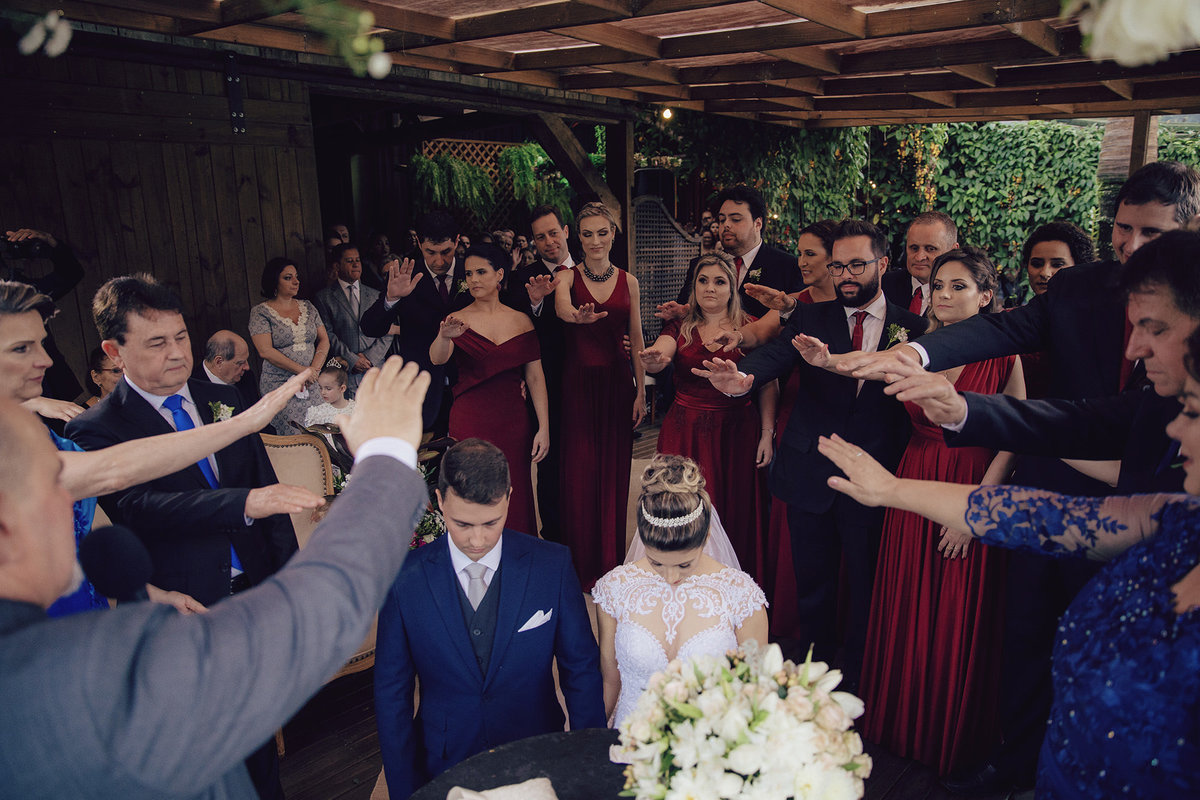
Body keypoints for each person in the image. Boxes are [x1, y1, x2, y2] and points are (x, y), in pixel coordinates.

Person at [839, 160, 1200, 793]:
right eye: (1123, 229)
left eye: (1156, 332)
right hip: (1078, 755)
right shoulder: (1165, 519)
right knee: (1025, 636)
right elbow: (1053, 510)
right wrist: (899, 478)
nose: (1136, 350)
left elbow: (1111, 424)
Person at [0, 356, 432, 800]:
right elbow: (311, 610)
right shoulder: (98, 676)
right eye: (61, 484)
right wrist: (386, 459)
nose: (78, 503)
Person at [812, 248, 1025, 774]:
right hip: (912, 476)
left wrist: (977, 511)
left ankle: (949, 734)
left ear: (986, 295)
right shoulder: (912, 349)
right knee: (908, 599)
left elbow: (1015, 435)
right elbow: (859, 366)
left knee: (955, 608)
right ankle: (900, 724)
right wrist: (825, 361)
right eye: (938, 286)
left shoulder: (1007, 354)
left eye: (958, 286)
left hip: (973, 481)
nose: (944, 295)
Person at [694, 218, 926, 689]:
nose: (845, 276)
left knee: (866, 584)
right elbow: (778, 355)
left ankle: (862, 681)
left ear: (882, 264)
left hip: (876, 475)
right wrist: (744, 379)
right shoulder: (810, 315)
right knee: (813, 586)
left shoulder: (913, 326)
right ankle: (813, 682)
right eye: (838, 266)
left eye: (857, 265)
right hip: (810, 470)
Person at [0, 280, 312, 618]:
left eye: (181, 337)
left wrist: (149, 591)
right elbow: (124, 487)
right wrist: (243, 450)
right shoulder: (89, 427)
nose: (46, 361)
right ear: (114, 353)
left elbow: (76, 539)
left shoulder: (32, 435)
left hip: (94, 604)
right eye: (22, 348)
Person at [374, 438, 606, 799]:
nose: (477, 539)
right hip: (445, 761)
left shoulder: (551, 566)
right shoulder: (403, 579)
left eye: (491, 522)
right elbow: (392, 696)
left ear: (510, 497)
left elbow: (582, 672)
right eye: (462, 523)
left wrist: (589, 769)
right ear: (438, 502)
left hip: (537, 757)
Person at [592, 455, 768, 728]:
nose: (671, 577)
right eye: (656, 563)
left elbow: (755, 691)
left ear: (707, 536)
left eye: (685, 564)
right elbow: (610, 680)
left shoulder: (742, 597)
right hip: (631, 737)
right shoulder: (614, 590)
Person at [639, 252, 776, 579]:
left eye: (719, 281)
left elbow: (769, 383)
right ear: (694, 287)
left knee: (733, 510)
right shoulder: (680, 325)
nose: (710, 288)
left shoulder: (749, 329)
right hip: (683, 430)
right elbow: (663, 352)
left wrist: (767, 433)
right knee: (682, 510)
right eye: (703, 281)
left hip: (736, 430)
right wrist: (654, 361)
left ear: (732, 287)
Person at [554, 201, 646, 589]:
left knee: (613, 475)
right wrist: (577, 316)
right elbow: (560, 309)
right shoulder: (565, 277)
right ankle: (579, 568)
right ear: (579, 237)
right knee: (579, 474)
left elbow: (638, 336)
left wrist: (642, 391)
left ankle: (609, 565)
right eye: (587, 233)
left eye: (602, 232)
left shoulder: (629, 281)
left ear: (613, 234)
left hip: (616, 387)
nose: (595, 240)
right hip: (576, 388)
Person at [430, 243, 549, 535]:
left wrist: (543, 427)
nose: (473, 279)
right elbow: (437, 358)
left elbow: (535, 377)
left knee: (515, 491)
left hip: (513, 421)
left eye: (481, 272)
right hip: (469, 418)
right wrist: (444, 336)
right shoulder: (457, 318)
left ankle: (517, 563)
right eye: (468, 273)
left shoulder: (521, 320)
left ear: (499, 275)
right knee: (470, 491)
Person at [360, 211, 471, 431]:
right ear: (419, 243)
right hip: (422, 388)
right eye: (430, 252)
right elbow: (370, 328)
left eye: (446, 252)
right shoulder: (406, 275)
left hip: (468, 381)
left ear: (457, 241)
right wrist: (391, 299)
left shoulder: (471, 271)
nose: (439, 261)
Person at [662, 185, 801, 321]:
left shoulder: (788, 266)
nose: (726, 225)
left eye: (735, 219)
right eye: (722, 220)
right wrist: (680, 313)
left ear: (757, 223)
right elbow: (682, 311)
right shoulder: (699, 265)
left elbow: (797, 321)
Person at [248, 256, 330, 433]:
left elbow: (324, 339)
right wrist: (302, 371)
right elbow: (265, 351)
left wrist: (313, 370)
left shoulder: (308, 306)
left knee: (321, 429)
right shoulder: (261, 312)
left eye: (296, 276)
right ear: (274, 282)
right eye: (288, 277)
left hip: (311, 381)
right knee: (293, 432)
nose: (296, 281)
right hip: (280, 384)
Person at [1016, 222, 1096, 398]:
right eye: (1036, 263)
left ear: (1080, 267)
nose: (1045, 272)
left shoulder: (1095, 324)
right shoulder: (1014, 321)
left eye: (1057, 264)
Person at [313, 243, 391, 397]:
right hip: (345, 373)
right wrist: (352, 359)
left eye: (358, 260)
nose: (356, 264)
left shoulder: (376, 295)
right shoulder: (324, 298)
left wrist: (370, 357)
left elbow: (389, 330)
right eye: (349, 261)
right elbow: (327, 334)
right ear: (337, 266)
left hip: (376, 370)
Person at [882, 211, 959, 316]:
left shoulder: (961, 297)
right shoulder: (883, 285)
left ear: (953, 251)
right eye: (914, 248)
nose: (919, 257)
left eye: (930, 249)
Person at [194, 330, 263, 409]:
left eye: (246, 360)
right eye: (240, 363)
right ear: (219, 362)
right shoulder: (193, 386)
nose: (247, 367)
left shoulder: (247, 376)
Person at [304, 360, 355, 427]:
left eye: (328, 389)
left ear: (342, 388)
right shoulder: (317, 413)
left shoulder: (356, 409)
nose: (323, 392)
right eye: (321, 388)